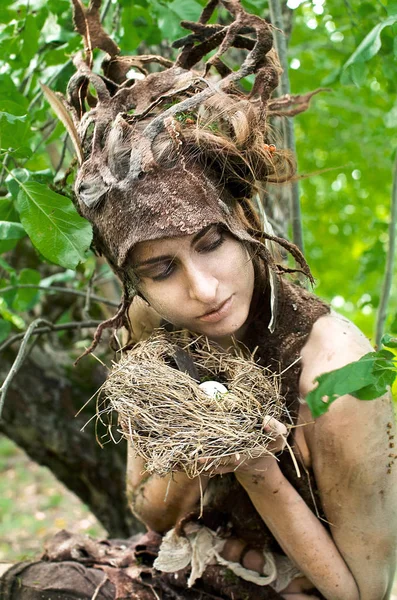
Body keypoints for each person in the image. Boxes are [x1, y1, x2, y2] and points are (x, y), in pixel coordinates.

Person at [3, 1, 395, 599]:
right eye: (162, 269)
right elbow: (150, 513)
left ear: (242, 218)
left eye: (211, 243)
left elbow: (363, 593)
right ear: (135, 281)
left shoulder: (338, 372)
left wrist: (256, 468)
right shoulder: (153, 327)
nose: (203, 290)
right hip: (192, 570)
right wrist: (190, 442)